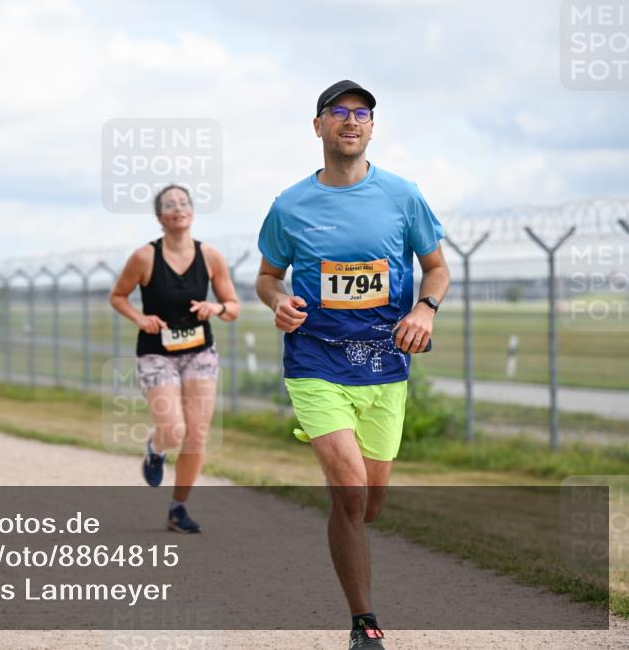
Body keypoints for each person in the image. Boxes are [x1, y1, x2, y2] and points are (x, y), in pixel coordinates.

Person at [255, 80, 450, 649]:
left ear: (371, 127)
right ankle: (364, 624)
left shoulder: (402, 196)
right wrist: (278, 301)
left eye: (362, 113)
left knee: (370, 503)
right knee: (350, 495)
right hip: (315, 361)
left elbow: (437, 268)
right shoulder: (290, 205)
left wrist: (425, 309)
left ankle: (345, 537)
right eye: (338, 112)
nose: (351, 120)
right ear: (318, 126)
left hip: (385, 367)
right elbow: (267, 278)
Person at [110, 184, 240, 533]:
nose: (178, 208)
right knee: (173, 430)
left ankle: (178, 508)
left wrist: (216, 307)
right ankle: (156, 448)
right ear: (160, 217)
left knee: (197, 434)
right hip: (157, 354)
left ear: (192, 212)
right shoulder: (144, 257)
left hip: (199, 352)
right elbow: (118, 296)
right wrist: (140, 318)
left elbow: (233, 308)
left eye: (183, 202)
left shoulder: (210, 256)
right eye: (170, 205)